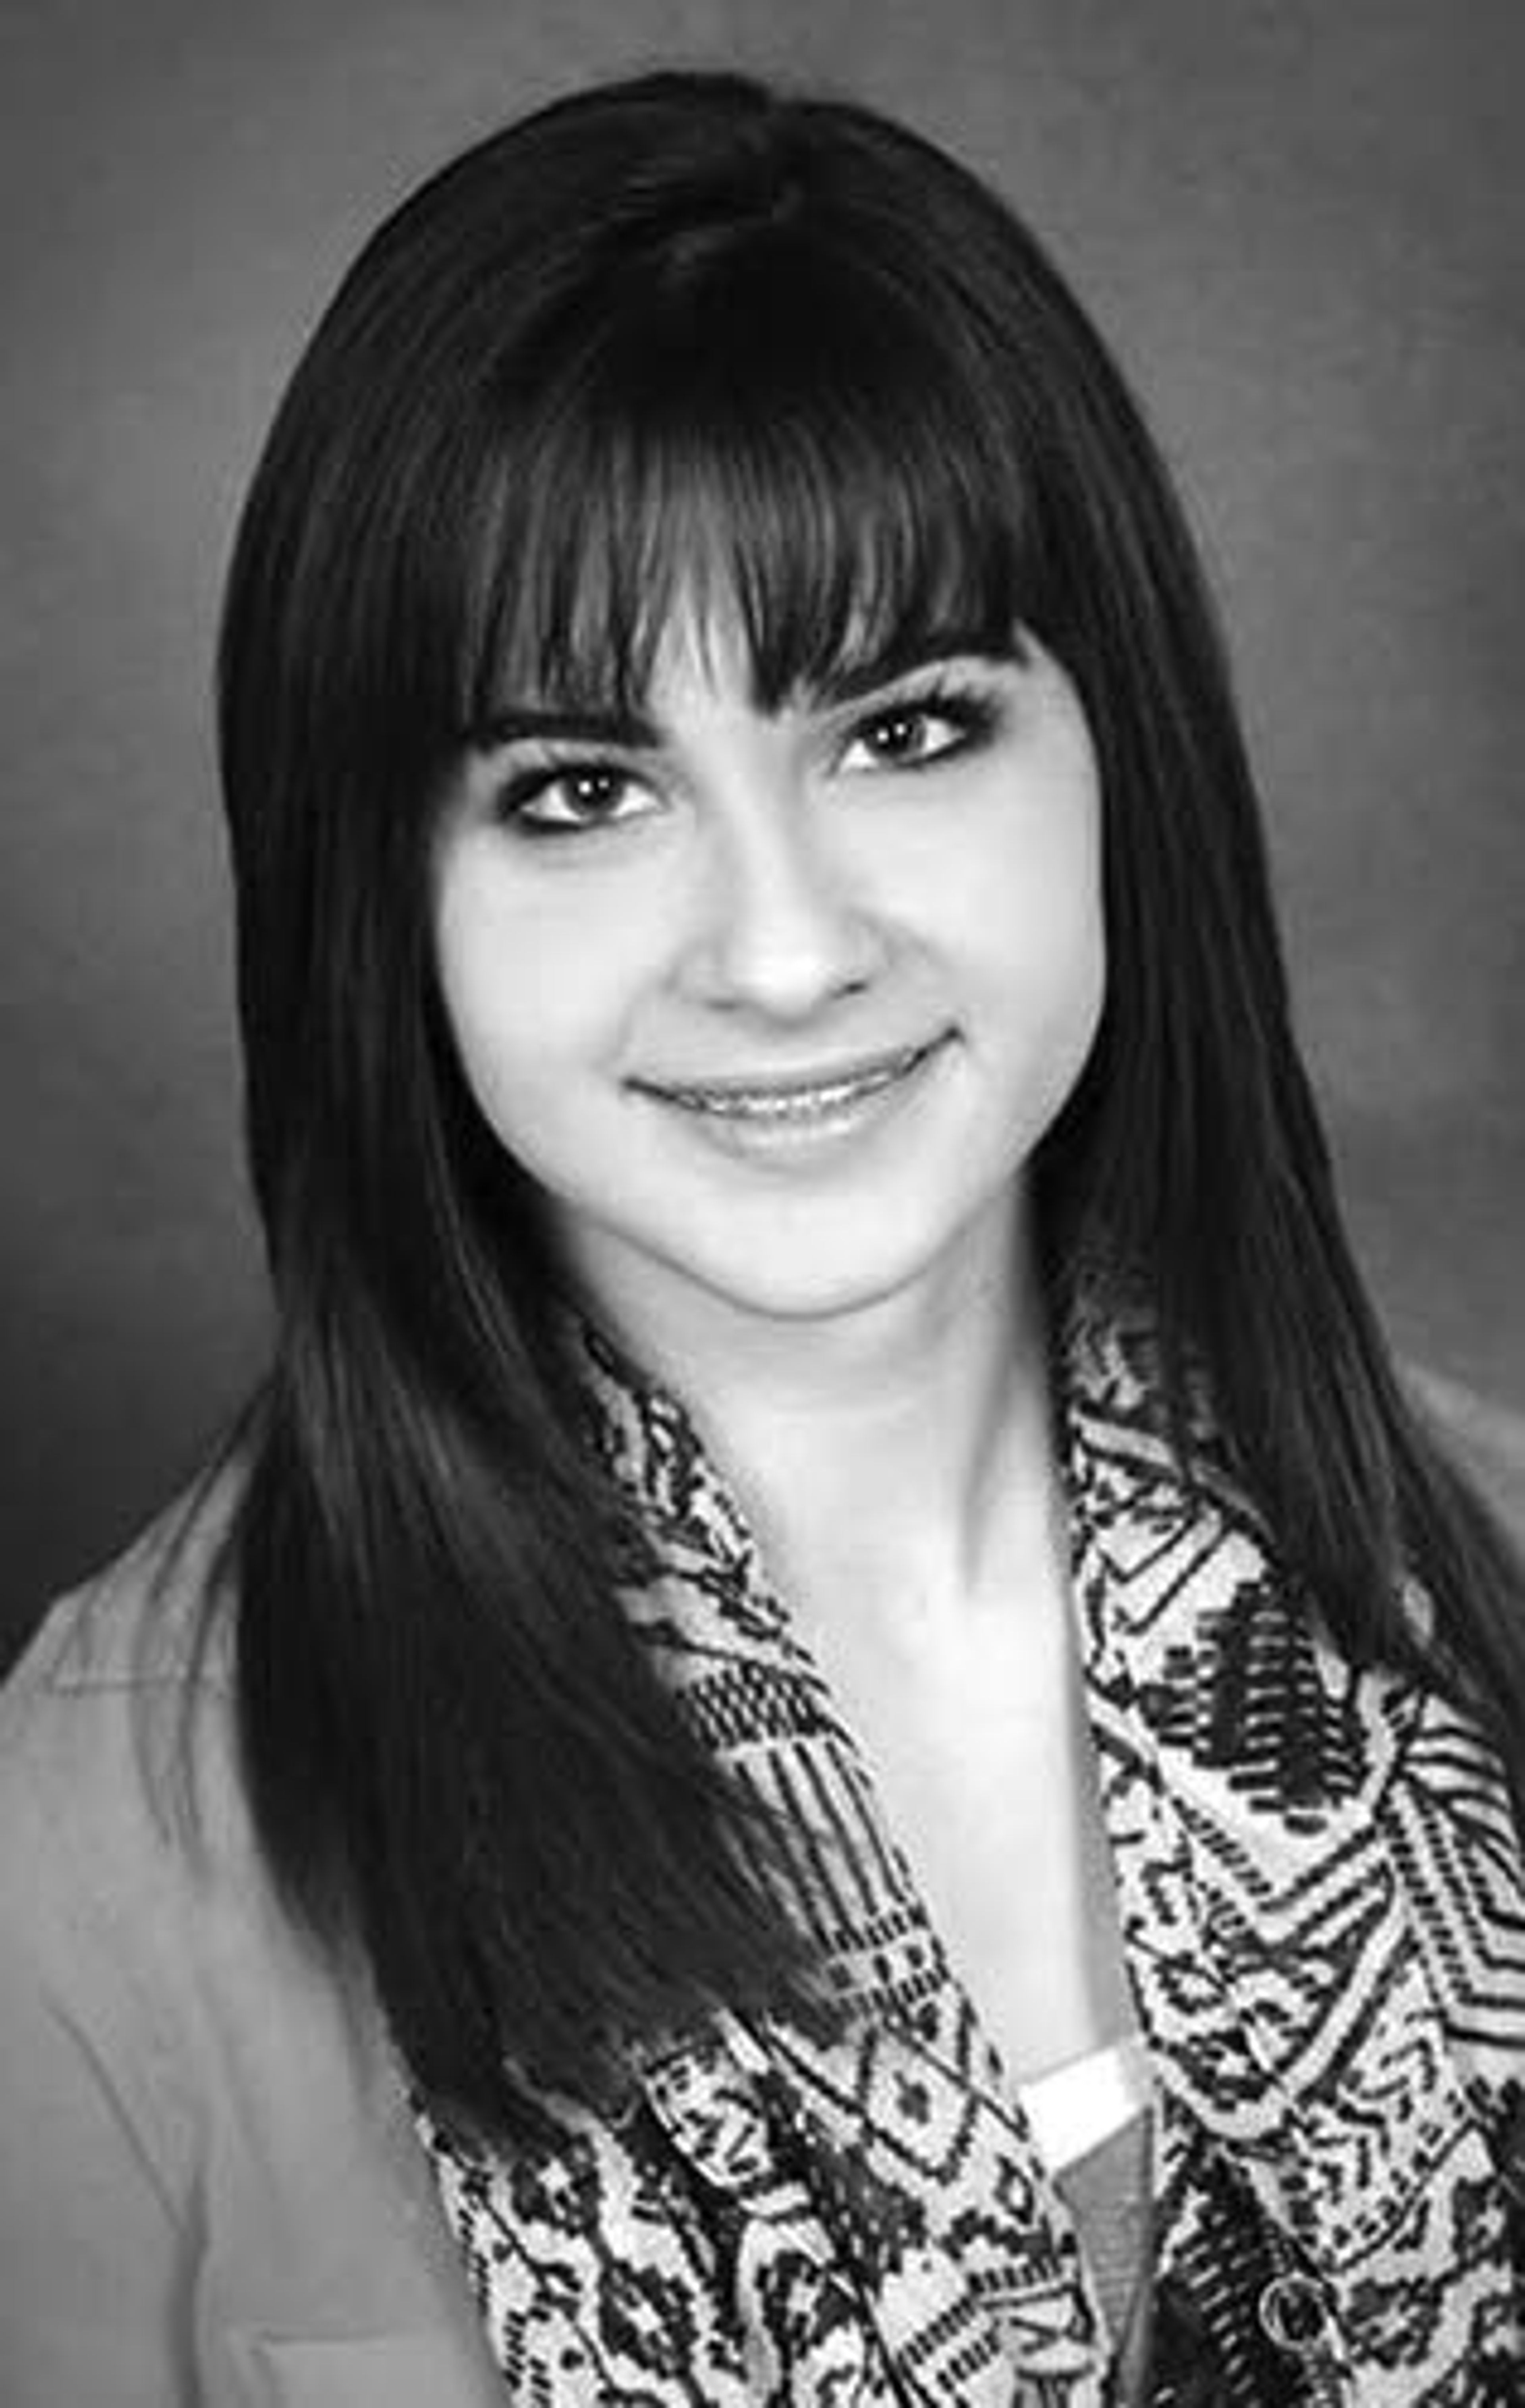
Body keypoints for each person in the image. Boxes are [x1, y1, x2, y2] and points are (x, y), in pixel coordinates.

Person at [2, 67, 1523, 2408]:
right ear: (380, 901)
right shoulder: (82, 1868)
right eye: (580, 789)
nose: (788, 950)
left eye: (903, 731)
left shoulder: (1484, 1563)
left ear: (1124, 758)